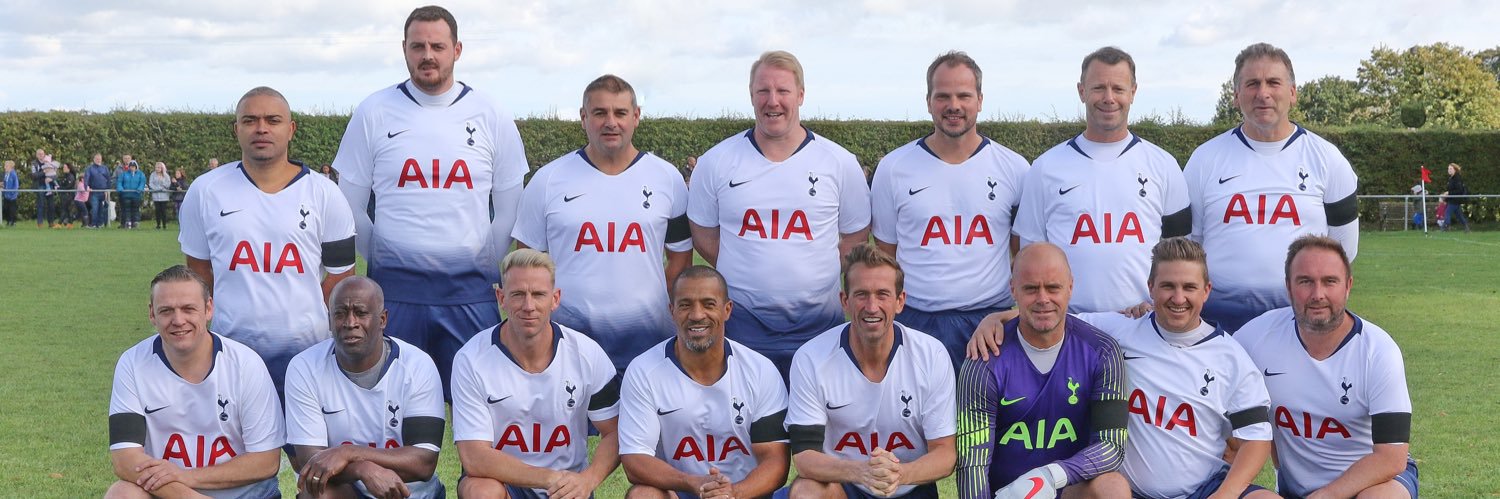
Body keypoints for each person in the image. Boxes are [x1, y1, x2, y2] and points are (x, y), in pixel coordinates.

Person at [972, 238, 1278, 498]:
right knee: (1110, 486)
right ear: (1150, 287)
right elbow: (1050, 316)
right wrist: (996, 319)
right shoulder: (1117, 329)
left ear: (1207, 290)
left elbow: (1257, 438)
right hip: (1127, 489)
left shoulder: (1231, 357)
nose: (1178, 298)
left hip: (1204, 488)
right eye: (1168, 286)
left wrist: (1223, 497)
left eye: (1189, 287)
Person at [333, 5, 530, 399]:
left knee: (482, 407)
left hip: (469, 294)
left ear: (457, 50)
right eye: (417, 46)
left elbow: (510, 209)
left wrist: (481, 263)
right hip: (395, 293)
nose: (428, 55)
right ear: (403, 49)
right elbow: (347, 207)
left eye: (437, 46)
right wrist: (386, 255)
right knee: (390, 405)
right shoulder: (374, 111)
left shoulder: (490, 114)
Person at [687, 50, 872, 380]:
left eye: (783, 91)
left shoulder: (839, 162)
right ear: (751, 95)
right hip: (741, 326)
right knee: (748, 427)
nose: (773, 101)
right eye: (763, 91)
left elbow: (856, 237)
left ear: (800, 95)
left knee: (814, 429)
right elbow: (704, 234)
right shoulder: (716, 162)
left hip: (820, 327)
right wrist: (746, 269)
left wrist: (816, 275)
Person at [179, 86, 357, 396]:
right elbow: (198, 271)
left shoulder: (324, 193)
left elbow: (342, 276)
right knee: (239, 445)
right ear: (237, 130)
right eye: (250, 120)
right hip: (230, 353)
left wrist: (305, 312)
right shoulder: (205, 190)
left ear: (291, 129)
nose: (261, 128)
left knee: (308, 446)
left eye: (273, 120)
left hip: (308, 356)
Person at [512, 74, 693, 374]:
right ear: (583, 118)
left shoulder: (667, 178)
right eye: (600, 113)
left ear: (636, 117)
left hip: (649, 344)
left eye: (620, 113)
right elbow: (527, 265)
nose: (611, 122)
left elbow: (680, 260)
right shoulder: (548, 180)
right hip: (568, 346)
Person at [869, 51, 1029, 370]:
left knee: (981, 420)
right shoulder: (893, 168)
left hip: (990, 324)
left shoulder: (1015, 169)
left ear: (980, 100)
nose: (953, 105)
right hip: (915, 322)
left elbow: (1024, 257)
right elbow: (886, 256)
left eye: (964, 96)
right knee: (916, 420)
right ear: (929, 101)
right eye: (943, 96)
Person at [1184, 42, 1360, 332]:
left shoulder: (1328, 160)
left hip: (1298, 323)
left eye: (1273, 83)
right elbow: (1189, 245)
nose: (1262, 93)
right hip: (1217, 322)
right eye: (1252, 83)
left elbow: (1342, 251)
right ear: (1236, 95)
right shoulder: (1204, 160)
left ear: (1292, 93)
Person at [1235, 236, 1417, 499]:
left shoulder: (1378, 351)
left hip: (1376, 483)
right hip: (1296, 488)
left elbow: (1391, 458)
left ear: (1348, 286)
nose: (1317, 294)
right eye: (1305, 281)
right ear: (1288, 287)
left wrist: (1328, 495)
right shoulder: (1256, 337)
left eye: (1329, 281)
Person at [1014, 47, 1191, 314]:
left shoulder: (1164, 165)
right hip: (1069, 326)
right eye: (1098, 88)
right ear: (1081, 91)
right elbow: (1030, 255)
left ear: (1133, 92)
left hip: (1144, 322)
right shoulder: (1045, 168)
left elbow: (1181, 253)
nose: (1109, 98)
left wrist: (1157, 304)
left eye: (1118, 89)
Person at [955, 243, 1129, 499]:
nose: (1043, 298)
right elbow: (972, 463)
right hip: (1006, 494)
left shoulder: (1102, 351)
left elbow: (1112, 445)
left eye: (1053, 287)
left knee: (1112, 487)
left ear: (1070, 287)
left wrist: (1048, 477)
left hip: (1067, 487)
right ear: (1013, 289)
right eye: (1031, 288)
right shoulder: (983, 361)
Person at [784, 244, 956, 498]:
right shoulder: (811, 358)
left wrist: (899, 474)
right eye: (862, 294)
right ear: (845, 300)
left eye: (882, 294)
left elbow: (945, 453)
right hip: (846, 485)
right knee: (806, 491)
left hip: (909, 487)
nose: (872, 306)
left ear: (900, 301)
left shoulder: (931, 355)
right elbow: (805, 458)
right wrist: (861, 472)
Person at [452, 249, 622, 499]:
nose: (528, 306)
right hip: (505, 483)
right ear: (502, 298)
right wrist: (549, 478)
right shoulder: (471, 359)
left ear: (555, 298)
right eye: (518, 294)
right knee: (481, 491)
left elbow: (615, 431)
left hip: (567, 487)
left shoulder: (586, 353)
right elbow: (474, 456)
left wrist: (587, 480)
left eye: (539, 294)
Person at [105, 265, 283, 499]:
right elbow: (125, 460)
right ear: (152, 314)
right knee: (123, 493)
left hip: (246, 495)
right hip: (171, 493)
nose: (178, 320)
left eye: (188, 309)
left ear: (209, 308)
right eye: (166, 310)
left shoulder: (246, 364)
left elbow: (266, 461)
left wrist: (187, 475)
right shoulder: (132, 363)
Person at [618, 266, 790, 499]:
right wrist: (694, 483)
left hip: (744, 495)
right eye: (685, 305)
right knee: (643, 495)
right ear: (672, 310)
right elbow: (635, 460)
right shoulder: (643, 371)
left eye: (708, 304)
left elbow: (775, 461)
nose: (697, 315)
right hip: (680, 492)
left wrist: (732, 493)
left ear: (727, 310)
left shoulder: (760, 371)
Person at [283, 276, 447, 499]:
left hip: (407, 492)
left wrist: (348, 452)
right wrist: (363, 469)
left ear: (382, 319)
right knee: (318, 495)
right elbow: (311, 462)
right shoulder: (304, 367)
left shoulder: (417, 365)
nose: (350, 323)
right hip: (346, 490)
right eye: (340, 313)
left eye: (360, 313)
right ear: (330, 320)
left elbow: (423, 462)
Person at [115, 160, 146, 229]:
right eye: (131, 167)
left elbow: (142, 182)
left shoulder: (141, 174)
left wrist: (140, 188)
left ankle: (135, 222)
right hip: (126, 195)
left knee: (135, 209)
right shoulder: (124, 174)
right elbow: (119, 182)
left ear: (136, 167)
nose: (132, 168)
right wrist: (120, 189)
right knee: (127, 209)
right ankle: (127, 222)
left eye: (133, 167)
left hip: (136, 195)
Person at [1441, 163, 1470, 232]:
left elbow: (1459, 190)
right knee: (1459, 215)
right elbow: (1451, 189)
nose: (1449, 170)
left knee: (1447, 213)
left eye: (1451, 169)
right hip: (1452, 199)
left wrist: (1448, 193)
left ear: (1455, 170)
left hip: (1455, 200)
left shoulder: (1457, 178)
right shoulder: (1451, 178)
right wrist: (1446, 194)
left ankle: (1445, 227)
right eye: (1448, 169)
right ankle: (1466, 228)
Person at [86, 154, 112, 228]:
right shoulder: (90, 168)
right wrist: (87, 187)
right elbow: (86, 178)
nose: (98, 160)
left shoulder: (105, 168)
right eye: (97, 159)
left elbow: (109, 179)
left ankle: (100, 224)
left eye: (99, 159)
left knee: (101, 209)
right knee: (95, 208)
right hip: (94, 191)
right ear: (93, 159)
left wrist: (107, 189)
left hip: (103, 192)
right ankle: (93, 224)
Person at [148, 162, 173, 230]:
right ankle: (158, 224)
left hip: (164, 196)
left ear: (162, 168)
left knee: (163, 211)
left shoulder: (166, 175)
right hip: (156, 195)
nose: (157, 169)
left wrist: (162, 183)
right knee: (157, 211)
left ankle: (164, 224)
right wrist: (156, 189)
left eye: (159, 167)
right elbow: (151, 184)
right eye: (156, 167)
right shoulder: (152, 175)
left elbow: (168, 184)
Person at [39, 160, 59, 229]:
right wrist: (43, 172)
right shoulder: (39, 166)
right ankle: (43, 223)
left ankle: (51, 223)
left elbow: (55, 175)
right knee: (43, 206)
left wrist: (52, 179)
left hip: (51, 189)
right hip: (43, 188)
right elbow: (35, 176)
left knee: (51, 206)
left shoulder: (52, 166)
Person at [59, 163, 80, 228]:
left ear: (69, 168)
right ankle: (70, 224)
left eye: (65, 167)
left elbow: (69, 186)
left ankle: (59, 224)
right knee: (67, 210)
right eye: (63, 167)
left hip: (68, 195)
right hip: (65, 195)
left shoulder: (70, 176)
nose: (63, 168)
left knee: (64, 209)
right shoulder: (65, 176)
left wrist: (61, 188)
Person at [2, 161, 17, 227]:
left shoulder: (13, 174)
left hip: (12, 196)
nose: (5, 167)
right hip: (6, 195)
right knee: (6, 208)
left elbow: (16, 185)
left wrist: (13, 193)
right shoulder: (6, 174)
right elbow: (5, 183)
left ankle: (12, 222)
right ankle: (8, 221)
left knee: (12, 209)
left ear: (10, 167)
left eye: (6, 166)